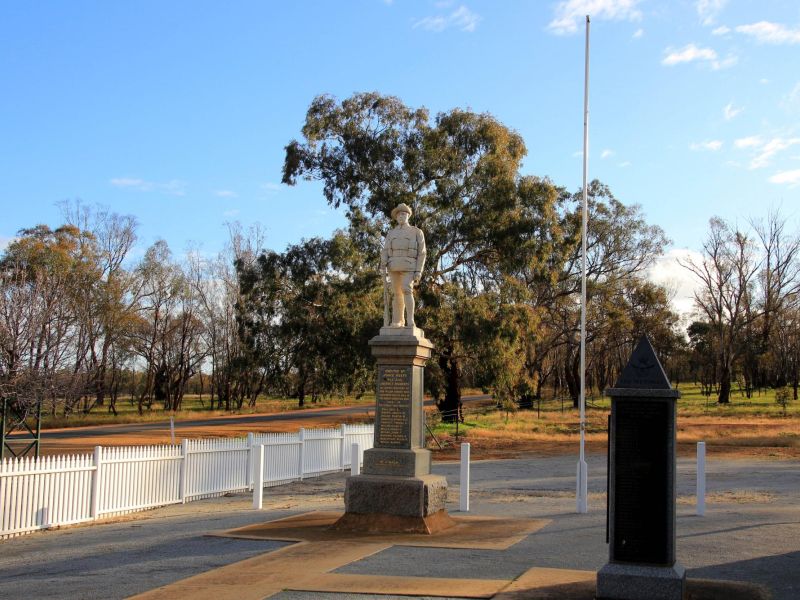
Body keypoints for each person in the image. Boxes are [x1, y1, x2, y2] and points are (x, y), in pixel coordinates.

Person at [381, 203, 426, 328]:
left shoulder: (416, 232)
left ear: (408, 216)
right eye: (399, 214)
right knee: (396, 294)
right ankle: (398, 321)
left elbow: (422, 253)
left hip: (409, 266)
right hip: (393, 266)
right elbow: (385, 250)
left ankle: (410, 320)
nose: (401, 216)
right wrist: (383, 261)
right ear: (396, 217)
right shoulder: (391, 233)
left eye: (403, 214)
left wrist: (418, 271)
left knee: (407, 290)